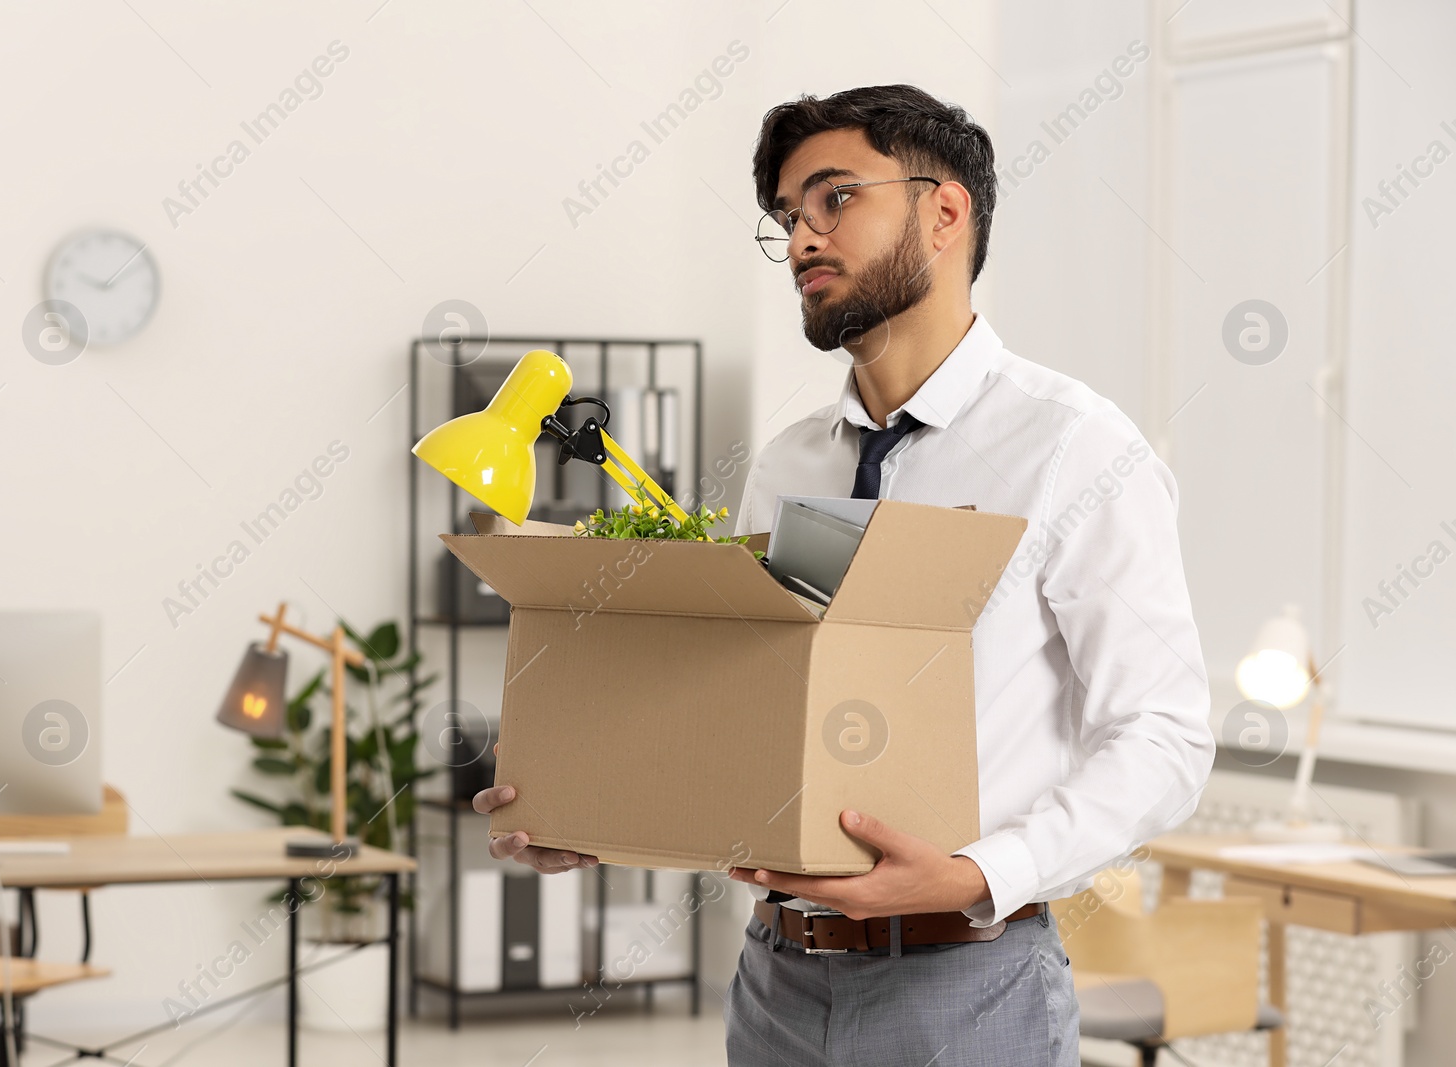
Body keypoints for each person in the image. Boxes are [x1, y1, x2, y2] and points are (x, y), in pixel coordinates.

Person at [474, 84, 1215, 1067]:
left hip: (966, 984)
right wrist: (593, 810)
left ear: (944, 211)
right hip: (777, 979)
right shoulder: (790, 465)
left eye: (832, 199)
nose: (800, 240)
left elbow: (1163, 736)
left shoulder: (1074, 450)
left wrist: (967, 873)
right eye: (786, 217)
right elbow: (747, 714)